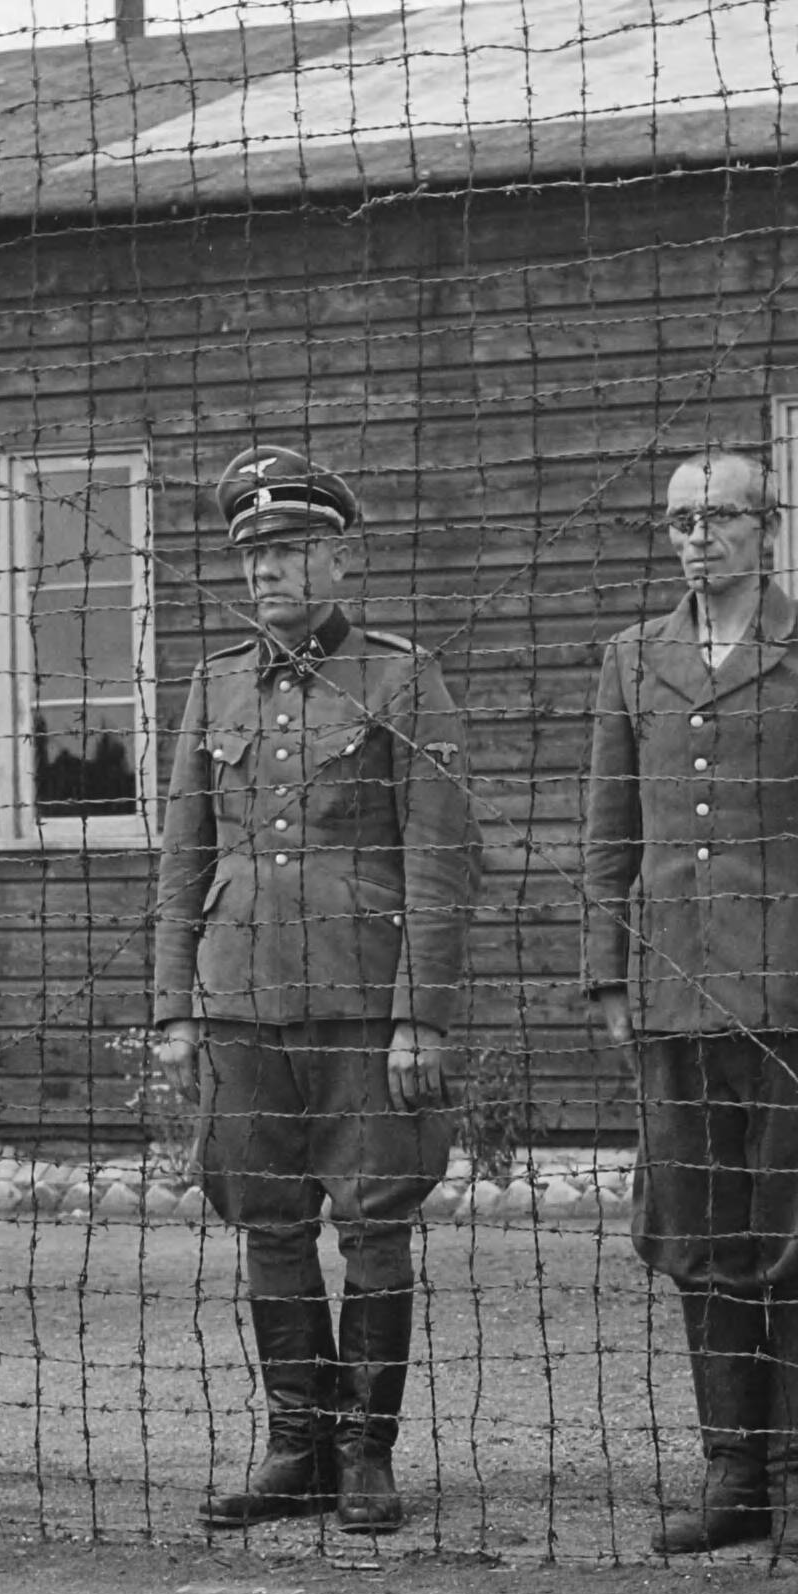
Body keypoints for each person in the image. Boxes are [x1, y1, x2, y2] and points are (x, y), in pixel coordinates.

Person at [581, 449, 798, 1558]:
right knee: (700, 1234)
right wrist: (609, 972)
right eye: (680, 521)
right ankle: (731, 1472)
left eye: (719, 516)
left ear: (767, 528)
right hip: (674, 991)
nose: (697, 538)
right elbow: (610, 836)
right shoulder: (632, 658)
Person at [152, 448, 478, 1537]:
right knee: (270, 1223)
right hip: (240, 998)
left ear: (340, 558)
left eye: (289, 550)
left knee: (374, 1224)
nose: (267, 572)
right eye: (252, 555)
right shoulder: (214, 684)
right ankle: (296, 1446)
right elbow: (183, 857)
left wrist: (420, 1014)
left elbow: (440, 858)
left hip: (362, 1001)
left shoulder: (399, 679)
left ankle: (364, 1454)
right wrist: (175, 1006)